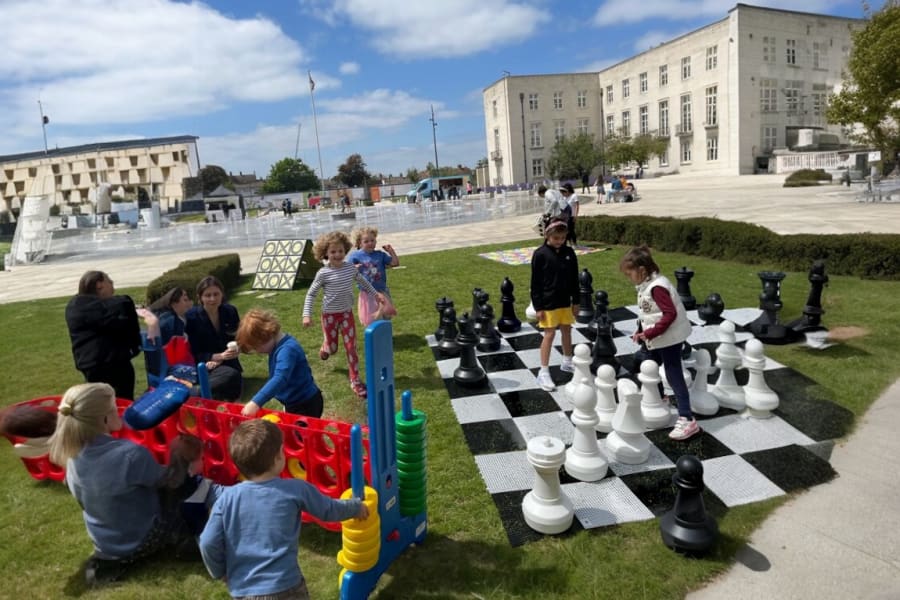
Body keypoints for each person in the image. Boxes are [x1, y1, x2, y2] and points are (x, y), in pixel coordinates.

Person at [48, 383, 205, 585]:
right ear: (105, 419)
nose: (122, 413)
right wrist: (179, 455)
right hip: (139, 539)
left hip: (106, 543)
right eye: (115, 408)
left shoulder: (72, 456)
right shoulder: (129, 455)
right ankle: (185, 540)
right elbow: (170, 481)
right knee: (184, 487)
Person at [199, 419, 369, 599]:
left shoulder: (226, 499)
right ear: (279, 456)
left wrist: (219, 572)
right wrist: (356, 507)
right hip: (285, 586)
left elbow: (207, 542)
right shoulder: (295, 489)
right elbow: (329, 510)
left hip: (244, 591)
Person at [620, 245, 699, 440]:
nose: (629, 278)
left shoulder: (657, 288)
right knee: (647, 363)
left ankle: (687, 419)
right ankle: (661, 397)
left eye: (630, 274)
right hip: (660, 336)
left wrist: (650, 333)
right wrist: (641, 331)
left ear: (641, 270)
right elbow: (649, 314)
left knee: (674, 375)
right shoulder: (648, 284)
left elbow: (669, 314)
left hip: (670, 338)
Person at [302, 231, 386, 398]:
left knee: (351, 348)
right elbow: (311, 294)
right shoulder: (323, 273)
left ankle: (355, 381)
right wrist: (306, 315)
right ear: (325, 253)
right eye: (333, 252)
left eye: (340, 251)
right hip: (329, 317)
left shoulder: (350, 269)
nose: (337, 255)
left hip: (346, 314)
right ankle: (326, 347)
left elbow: (363, 282)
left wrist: (375, 294)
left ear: (345, 250)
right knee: (333, 349)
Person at [65, 270, 143, 400]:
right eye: (110, 282)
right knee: (119, 401)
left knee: (101, 401)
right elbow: (119, 310)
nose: (113, 286)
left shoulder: (75, 306)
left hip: (93, 365)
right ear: (99, 285)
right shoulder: (92, 308)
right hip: (110, 365)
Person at [235, 309, 324, 418]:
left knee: (300, 430)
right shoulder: (277, 346)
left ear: (267, 335)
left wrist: (256, 402)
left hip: (305, 404)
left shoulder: (287, 350)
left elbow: (280, 378)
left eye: (257, 347)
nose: (258, 351)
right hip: (294, 402)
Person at [530, 218, 578, 392]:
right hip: (548, 302)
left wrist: (576, 301)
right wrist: (538, 307)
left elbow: (574, 279)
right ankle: (543, 372)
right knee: (549, 334)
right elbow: (535, 283)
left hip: (565, 301)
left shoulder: (569, 252)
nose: (560, 241)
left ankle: (567, 361)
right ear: (547, 235)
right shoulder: (540, 254)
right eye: (556, 238)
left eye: (563, 238)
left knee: (567, 330)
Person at [185, 276, 242, 401]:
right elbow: (191, 351)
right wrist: (213, 357)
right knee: (230, 378)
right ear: (200, 297)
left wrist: (237, 348)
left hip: (228, 361)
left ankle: (203, 392)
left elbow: (238, 337)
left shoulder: (230, 311)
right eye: (208, 295)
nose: (213, 299)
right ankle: (198, 392)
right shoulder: (191, 318)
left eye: (216, 294)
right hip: (204, 362)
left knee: (233, 377)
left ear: (222, 294)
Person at [348, 226, 399, 326]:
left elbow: (395, 263)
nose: (370, 243)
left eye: (372, 240)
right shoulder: (355, 256)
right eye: (366, 241)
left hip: (382, 291)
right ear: (359, 243)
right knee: (372, 319)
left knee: (386, 317)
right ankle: (374, 334)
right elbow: (346, 272)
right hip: (368, 294)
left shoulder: (380, 255)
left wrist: (391, 251)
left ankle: (385, 334)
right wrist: (353, 268)